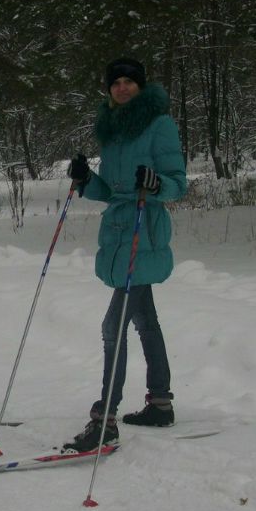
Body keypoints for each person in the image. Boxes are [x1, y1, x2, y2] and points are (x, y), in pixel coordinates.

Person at [62, 57, 188, 452]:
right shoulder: (113, 128)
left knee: (112, 326)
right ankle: (160, 403)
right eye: (115, 82)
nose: (121, 87)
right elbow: (112, 191)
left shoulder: (159, 124)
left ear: (140, 86)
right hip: (119, 231)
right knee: (145, 320)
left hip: (143, 232)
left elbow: (177, 184)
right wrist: (86, 179)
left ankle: (105, 420)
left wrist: (156, 183)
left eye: (129, 81)